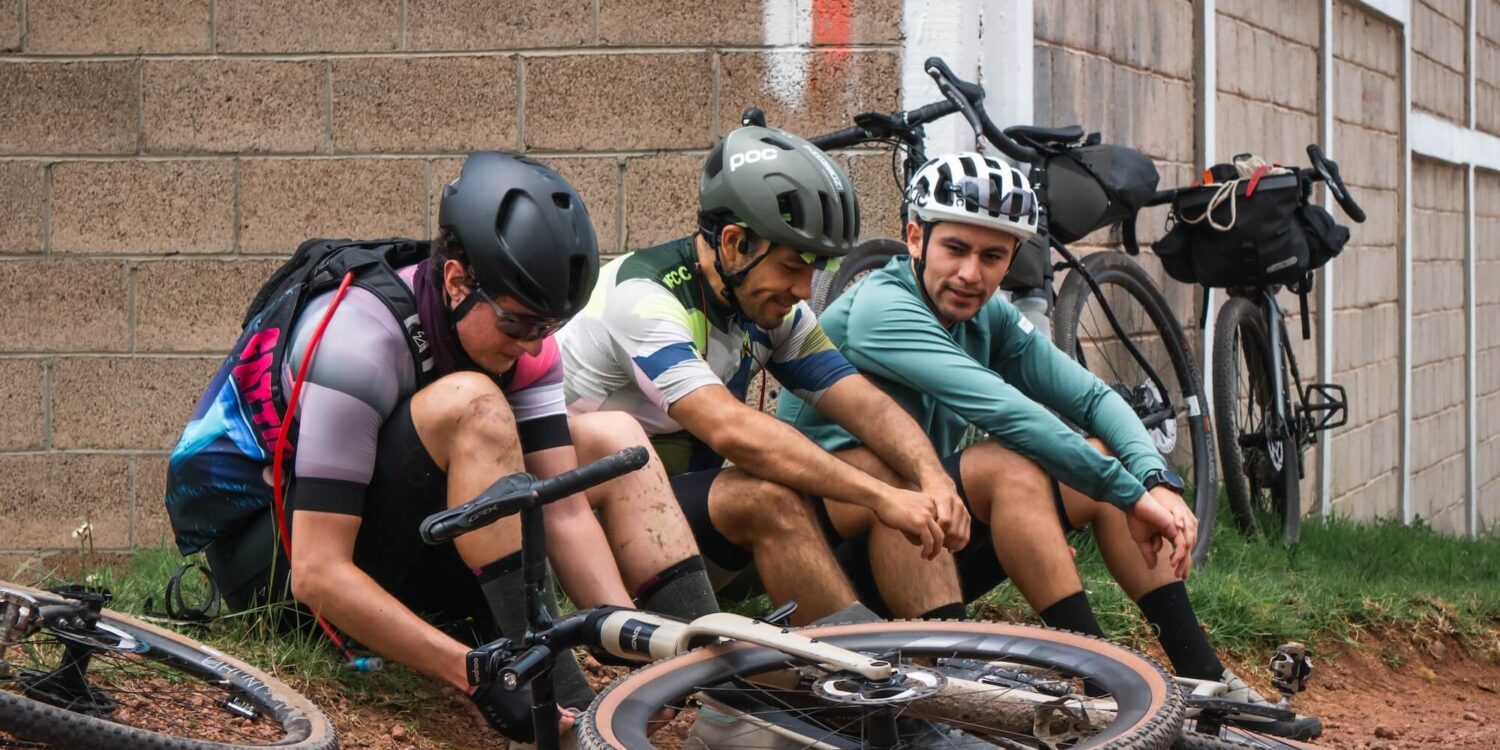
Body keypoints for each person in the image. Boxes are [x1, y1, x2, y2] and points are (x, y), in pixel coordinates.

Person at [165, 152, 719, 743]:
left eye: (549, 328)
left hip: (408, 537)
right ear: (457, 282)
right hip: (278, 569)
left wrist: (629, 653)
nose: (535, 348)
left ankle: (715, 669)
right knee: (474, 405)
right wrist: (479, 676)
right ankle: (546, 682)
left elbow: (565, 509)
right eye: (521, 325)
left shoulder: (524, 337)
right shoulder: (358, 338)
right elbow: (318, 573)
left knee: (614, 436)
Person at [776, 151, 1321, 740]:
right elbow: (1007, 414)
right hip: (836, 558)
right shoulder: (882, 308)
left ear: (1012, 256)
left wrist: (1155, 481)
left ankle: (1203, 677)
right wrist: (1134, 496)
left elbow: (1094, 400)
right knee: (1008, 466)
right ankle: (1105, 683)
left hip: (923, 541)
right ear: (915, 237)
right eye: (955, 249)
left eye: (992, 256)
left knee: (1106, 463)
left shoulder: (989, 316)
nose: (970, 274)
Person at [557, 126, 970, 626]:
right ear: (734, 244)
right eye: (794, 265)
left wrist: (930, 477)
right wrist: (880, 499)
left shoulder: (770, 307)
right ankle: (852, 683)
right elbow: (732, 430)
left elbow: (866, 406)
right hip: (598, 537)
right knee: (766, 497)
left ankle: (947, 658)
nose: (804, 288)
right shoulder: (643, 297)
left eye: (816, 269)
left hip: (691, 523)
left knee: (889, 468)